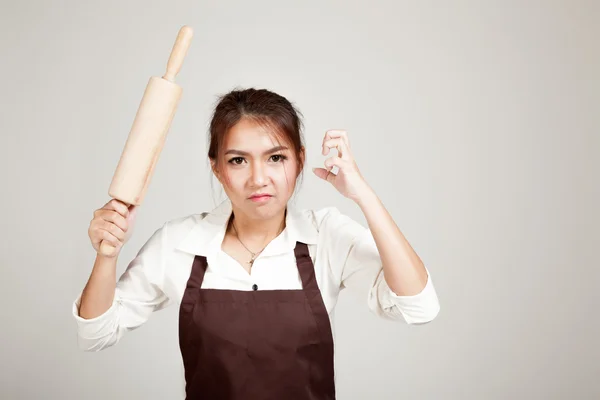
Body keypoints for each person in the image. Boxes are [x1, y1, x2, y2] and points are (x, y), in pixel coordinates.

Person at [73, 88, 440, 399]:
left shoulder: (327, 236)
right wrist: (108, 255)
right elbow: (96, 333)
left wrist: (363, 194)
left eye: (276, 158)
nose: (258, 179)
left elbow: (418, 307)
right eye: (238, 161)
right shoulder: (180, 242)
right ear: (216, 167)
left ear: (300, 160)